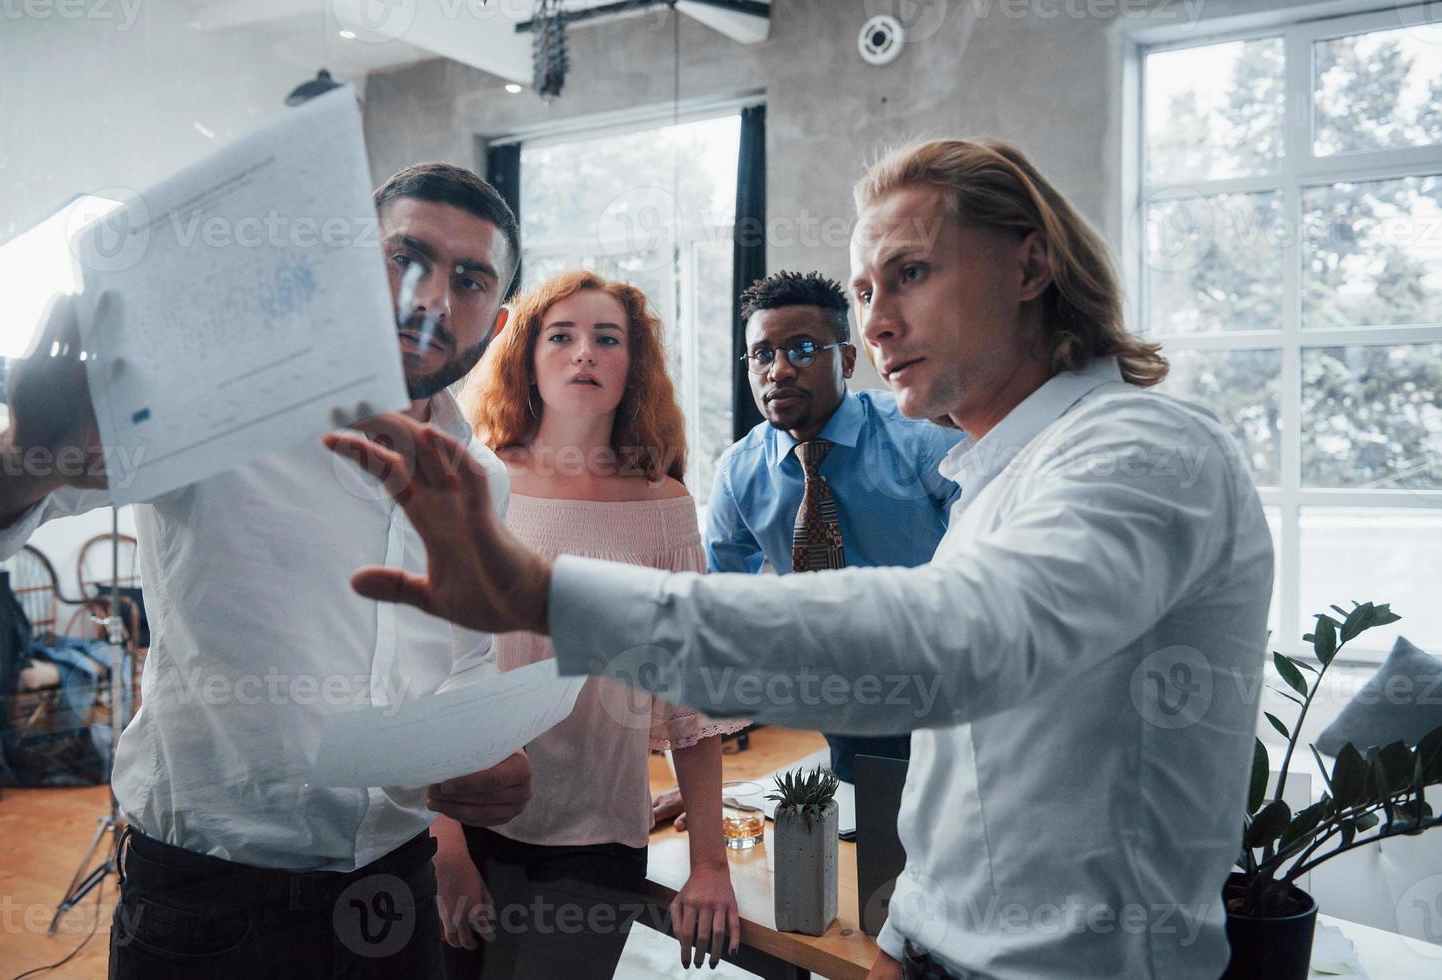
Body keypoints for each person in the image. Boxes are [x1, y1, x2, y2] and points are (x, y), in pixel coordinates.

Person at [326, 138, 1273, 980]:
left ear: (1030, 265)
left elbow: (949, 654)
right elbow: (974, 777)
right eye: (865, 293)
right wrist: (906, 936)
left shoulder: (1143, 450)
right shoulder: (991, 476)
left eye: (910, 274)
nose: (876, 325)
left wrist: (549, 592)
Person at [0, 163, 533, 979]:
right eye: (403, 256)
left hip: (393, 888)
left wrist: (483, 764)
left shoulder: (484, 480)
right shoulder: (214, 408)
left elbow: (463, 662)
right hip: (210, 902)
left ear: (499, 318)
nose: (430, 299)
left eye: (470, 279)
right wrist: (24, 452)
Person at [441, 269, 744, 977]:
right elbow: (429, 681)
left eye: (607, 339)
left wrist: (708, 864)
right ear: (526, 355)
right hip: (470, 828)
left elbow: (689, 704)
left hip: (600, 839)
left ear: (632, 367)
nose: (584, 353)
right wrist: (444, 849)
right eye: (563, 335)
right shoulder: (474, 485)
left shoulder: (664, 507)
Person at [707, 270, 961, 786]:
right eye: (762, 355)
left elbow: (990, 539)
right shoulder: (740, 473)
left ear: (846, 360)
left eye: (801, 350)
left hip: (947, 675)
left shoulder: (919, 436)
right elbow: (717, 604)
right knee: (873, 832)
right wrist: (705, 782)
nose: (779, 371)